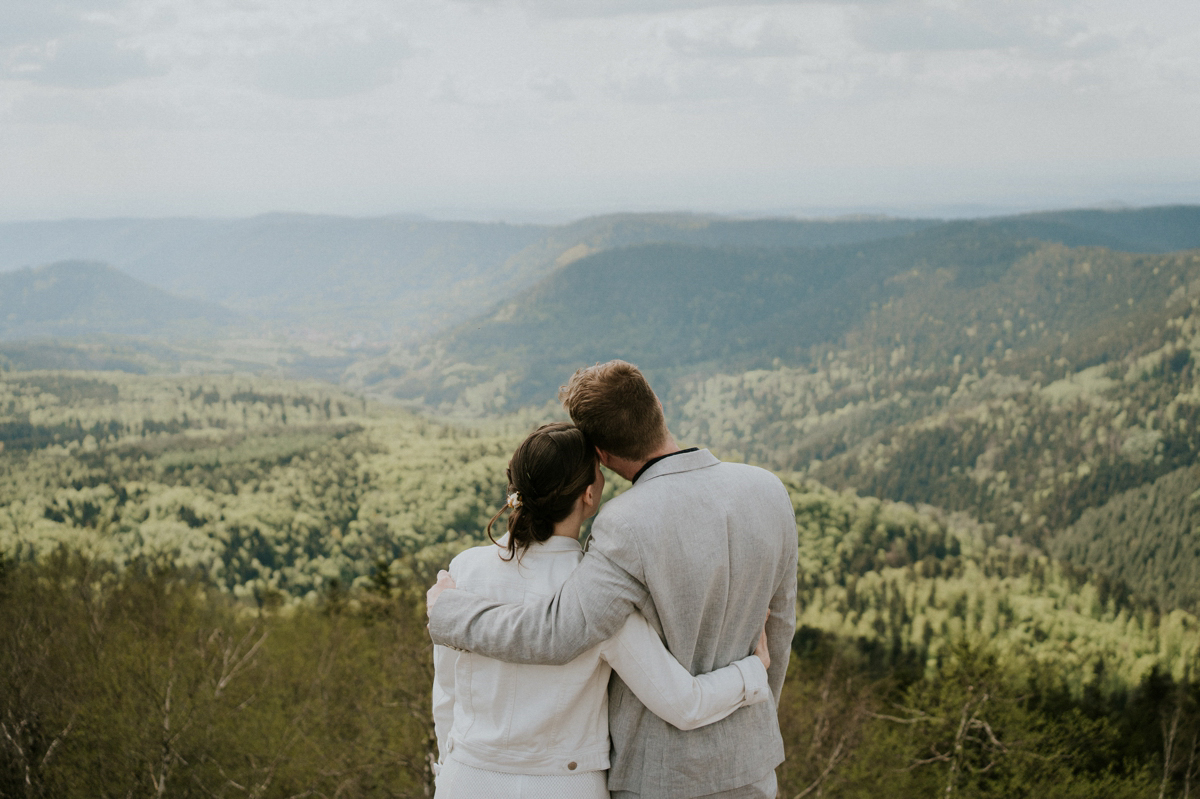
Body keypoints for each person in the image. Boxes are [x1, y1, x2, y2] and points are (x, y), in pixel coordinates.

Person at [428, 360, 798, 799]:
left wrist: (448, 614)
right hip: (752, 763)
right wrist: (756, 694)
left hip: (653, 776)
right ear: (656, 406)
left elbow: (558, 632)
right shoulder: (769, 488)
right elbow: (780, 624)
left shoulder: (621, 525)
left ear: (601, 453)